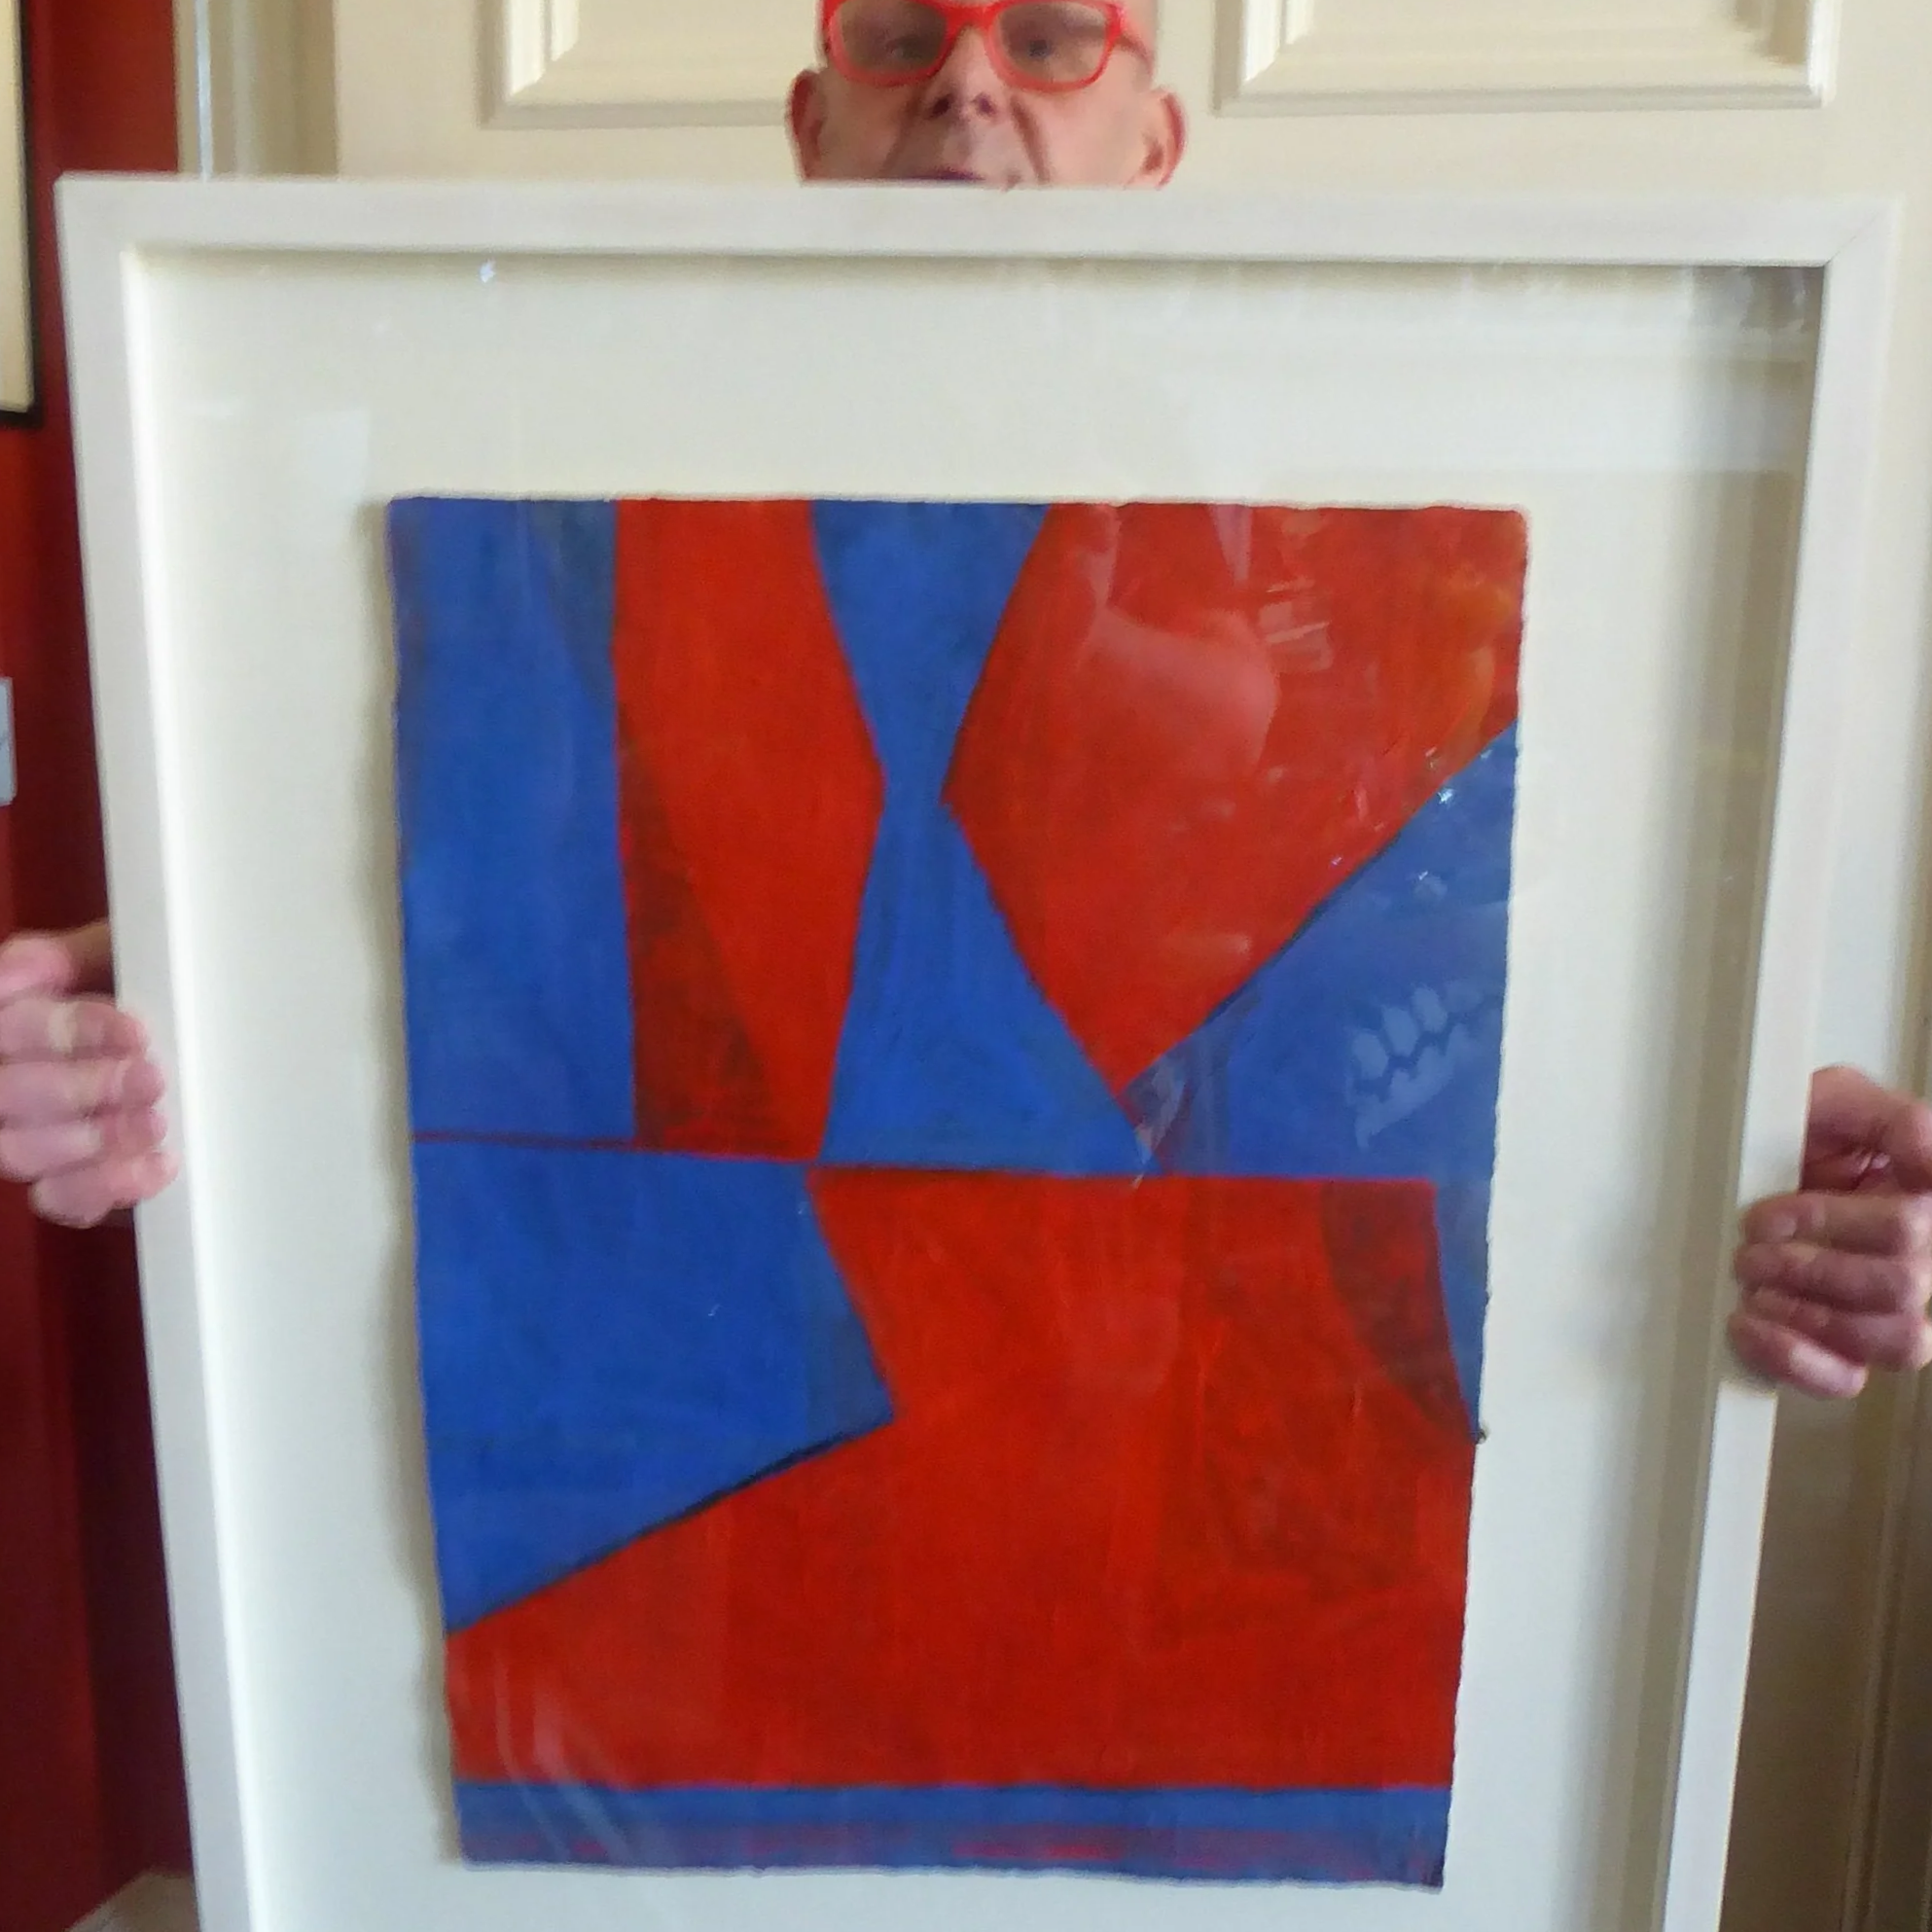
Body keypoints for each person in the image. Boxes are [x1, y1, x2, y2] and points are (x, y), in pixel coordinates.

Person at [1, 0, 1926, 1406]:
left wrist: (1716, 1094)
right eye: (901, 34)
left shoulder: (1338, 521)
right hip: (718, 1392)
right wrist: (164, 1015)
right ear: (813, 118)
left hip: (1154, 1401)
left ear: (1151, 141)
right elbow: (460, 941)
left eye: (1051, 38)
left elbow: (1432, 942)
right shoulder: (560, 501)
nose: (968, 86)